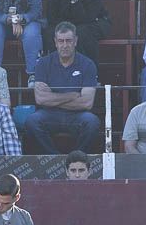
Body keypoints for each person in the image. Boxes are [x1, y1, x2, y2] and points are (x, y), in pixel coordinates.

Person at [24, 22, 101, 153]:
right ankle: (54, 158)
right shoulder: (43, 63)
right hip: (49, 114)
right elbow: (41, 100)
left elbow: (87, 103)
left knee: (92, 122)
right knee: (32, 121)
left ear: (75, 41)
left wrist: (53, 99)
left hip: (77, 115)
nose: (64, 45)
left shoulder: (88, 64)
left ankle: (76, 159)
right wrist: (72, 95)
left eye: (68, 41)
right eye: (61, 41)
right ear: (55, 42)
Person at [45, 0, 111, 65]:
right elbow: (52, 17)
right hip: (66, 24)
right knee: (52, 33)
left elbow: (89, 17)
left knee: (82, 33)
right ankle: (57, 71)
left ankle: (90, 72)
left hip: (95, 23)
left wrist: (75, 1)